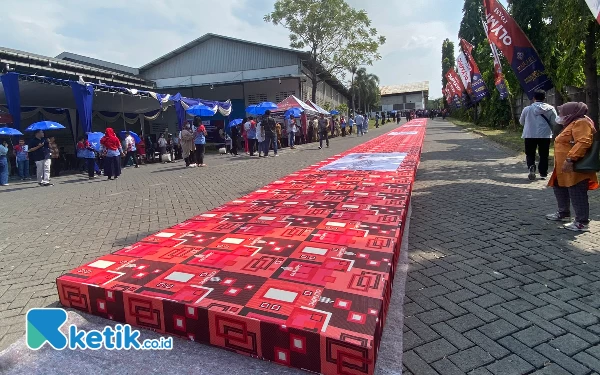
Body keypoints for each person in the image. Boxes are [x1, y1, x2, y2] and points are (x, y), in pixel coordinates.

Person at [546, 102, 598, 232]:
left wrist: (570, 159)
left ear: (571, 113)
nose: (560, 116)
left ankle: (582, 222)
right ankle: (563, 213)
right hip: (563, 167)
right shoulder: (572, 122)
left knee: (577, 192)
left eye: (563, 113)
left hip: (575, 166)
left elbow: (584, 142)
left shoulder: (582, 123)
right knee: (559, 186)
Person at [520, 89, 557, 180]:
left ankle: (531, 166)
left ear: (533, 98)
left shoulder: (527, 109)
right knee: (544, 154)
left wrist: (529, 124)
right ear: (544, 98)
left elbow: (521, 122)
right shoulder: (550, 109)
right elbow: (555, 122)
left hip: (530, 134)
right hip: (545, 135)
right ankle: (543, 172)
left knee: (530, 153)